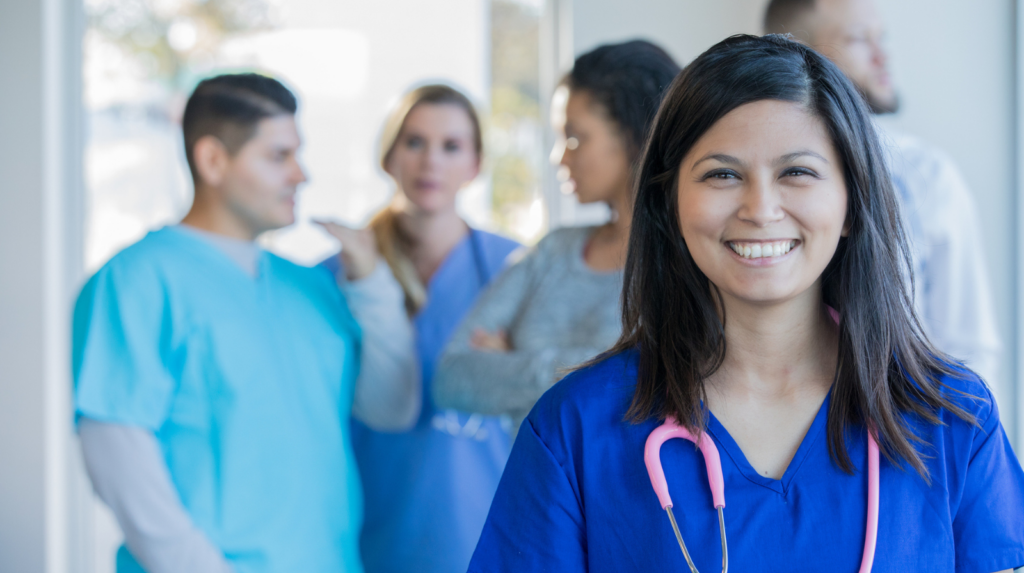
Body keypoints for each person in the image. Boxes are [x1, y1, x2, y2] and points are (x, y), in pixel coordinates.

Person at [468, 35, 1024, 572]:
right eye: (723, 174)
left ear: (852, 202)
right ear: (669, 203)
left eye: (797, 172)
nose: (761, 208)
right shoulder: (574, 428)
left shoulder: (952, 420)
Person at [73, 73, 420, 573]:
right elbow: (118, 456)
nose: (300, 174)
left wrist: (372, 285)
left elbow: (391, 408)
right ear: (213, 160)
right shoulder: (136, 280)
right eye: (279, 156)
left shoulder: (311, 287)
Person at [316, 84, 520, 573]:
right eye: (414, 142)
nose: (431, 161)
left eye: (451, 146)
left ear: (475, 165)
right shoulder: (335, 277)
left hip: (481, 538)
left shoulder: (513, 272)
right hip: (367, 540)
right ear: (389, 157)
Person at [432, 40, 680, 438]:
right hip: (535, 494)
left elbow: (661, 385)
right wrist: (587, 371)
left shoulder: (686, 264)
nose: (558, 157)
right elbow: (452, 377)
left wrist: (515, 363)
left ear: (635, 137)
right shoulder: (553, 250)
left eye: (575, 138)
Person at [764, 0, 1001, 388]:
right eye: (859, 40)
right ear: (798, 55)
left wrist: (959, 443)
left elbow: (968, 347)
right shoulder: (752, 190)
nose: (882, 55)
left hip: (904, 426)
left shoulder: (927, 177)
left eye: (882, 38)